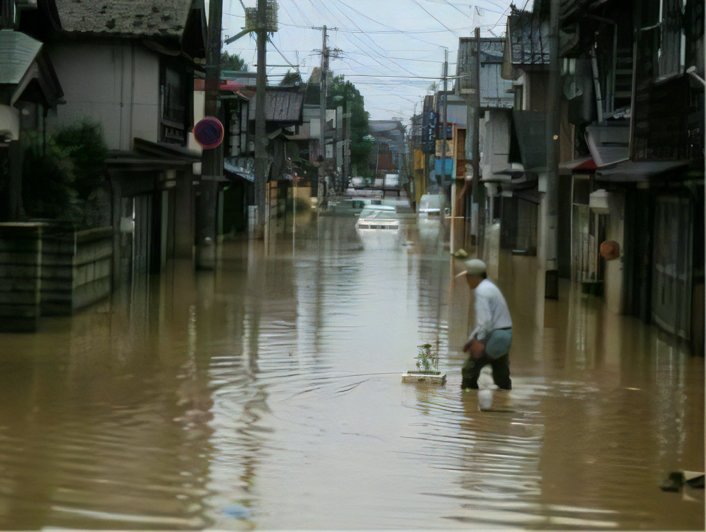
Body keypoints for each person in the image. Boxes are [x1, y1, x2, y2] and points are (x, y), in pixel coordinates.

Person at [460, 259, 513, 390]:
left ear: (474, 277)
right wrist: (473, 338)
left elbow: (486, 322)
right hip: (505, 336)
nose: (466, 280)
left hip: (494, 336)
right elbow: (487, 323)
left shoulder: (481, 291)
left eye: (467, 277)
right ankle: (505, 401)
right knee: (501, 376)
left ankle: (469, 405)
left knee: (469, 372)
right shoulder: (489, 286)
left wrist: (479, 342)